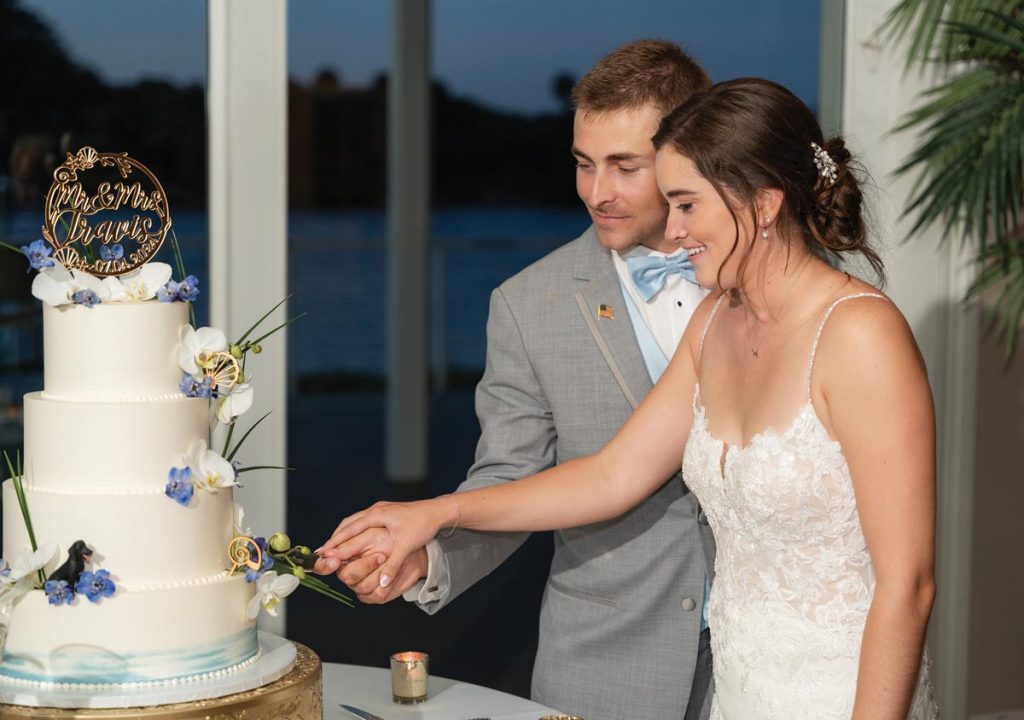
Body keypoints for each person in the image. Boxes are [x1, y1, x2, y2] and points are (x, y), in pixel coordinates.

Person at [319, 77, 939, 720]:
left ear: (762, 204)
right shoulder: (715, 324)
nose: (673, 229)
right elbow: (612, 474)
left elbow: (909, 584)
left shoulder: (861, 334)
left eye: (687, 205)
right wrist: (435, 513)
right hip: (741, 690)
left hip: (841, 692)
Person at [315, 40, 716, 720]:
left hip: (759, 656)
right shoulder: (528, 304)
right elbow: (508, 475)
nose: (597, 192)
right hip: (607, 666)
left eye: (626, 166)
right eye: (584, 164)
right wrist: (428, 558)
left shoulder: (766, 284)